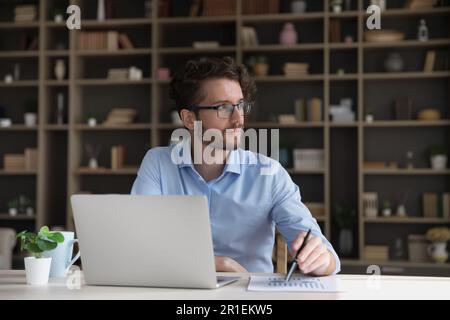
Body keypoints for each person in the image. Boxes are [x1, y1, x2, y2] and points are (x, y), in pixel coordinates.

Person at [131, 56, 340, 276]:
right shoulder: (158, 164)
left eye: (240, 106)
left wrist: (320, 258)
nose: (239, 119)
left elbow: (324, 254)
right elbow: (138, 243)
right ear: (190, 119)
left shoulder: (269, 174)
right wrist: (221, 265)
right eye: (223, 107)